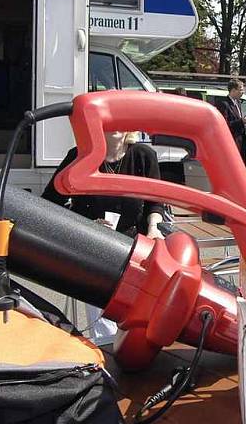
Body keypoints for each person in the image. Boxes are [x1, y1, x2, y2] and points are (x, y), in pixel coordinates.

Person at [42, 130, 166, 344]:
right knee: (103, 308)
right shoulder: (79, 156)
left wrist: (154, 227)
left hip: (134, 246)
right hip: (92, 246)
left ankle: (129, 348)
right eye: (109, 121)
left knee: (139, 310)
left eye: (121, 120)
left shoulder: (143, 155)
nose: (116, 126)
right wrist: (85, 225)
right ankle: (106, 350)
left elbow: (156, 201)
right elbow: (49, 202)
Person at [217, 79, 246, 164]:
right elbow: (224, 125)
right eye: (240, 89)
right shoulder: (224, 104)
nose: (242, 92)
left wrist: (243, 121)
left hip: (241, 142)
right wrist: (241, 121)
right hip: (232, 142)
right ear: (233, 90)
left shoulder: (238, 103)